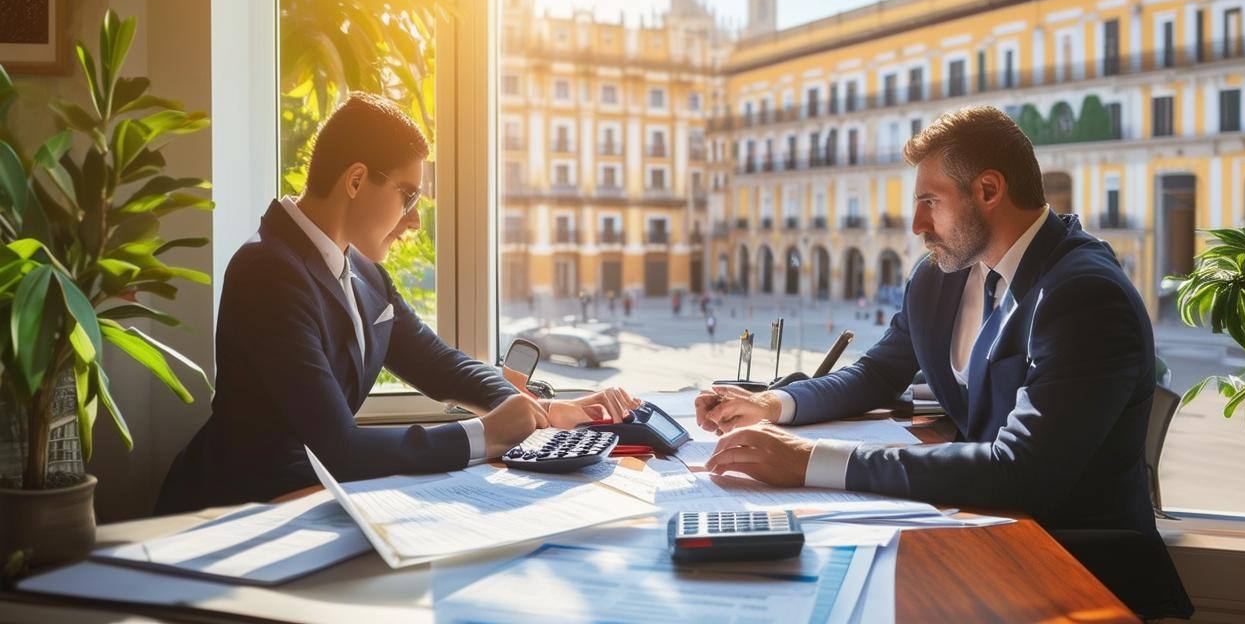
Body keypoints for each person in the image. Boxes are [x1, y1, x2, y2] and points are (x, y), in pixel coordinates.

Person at [694, 105, 1190, 615]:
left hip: (1072, 565)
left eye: (930, 201)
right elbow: (879, 371)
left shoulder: (1083, 293)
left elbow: (1022, 470)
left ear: (989, 191)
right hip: (982, 530)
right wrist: (775, 405)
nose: (915, 225)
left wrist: (806, 460)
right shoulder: (941, 276)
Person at [157, 93, 639, 514]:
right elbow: (338, 447)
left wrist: (534, 408)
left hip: (307, 503)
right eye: (407, 197)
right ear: (356, 179)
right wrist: (485, 433)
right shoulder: (267, 270)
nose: (413, 222)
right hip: (234, 514)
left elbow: (439, 364)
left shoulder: (366, 275)